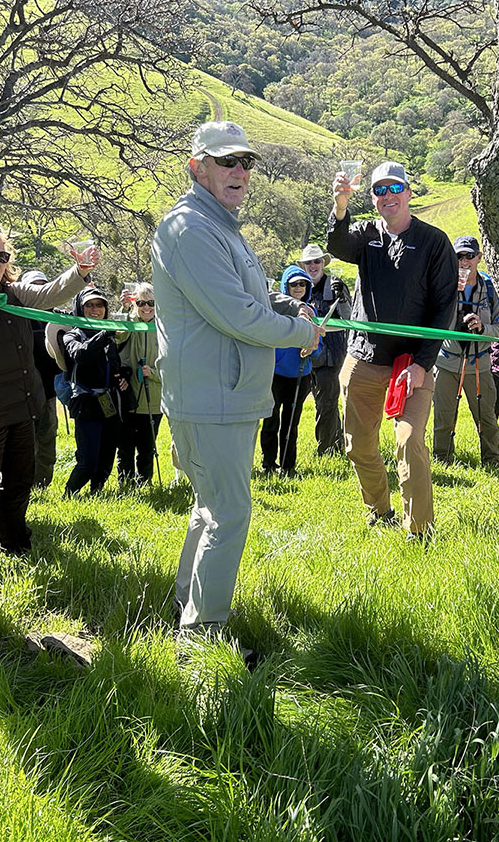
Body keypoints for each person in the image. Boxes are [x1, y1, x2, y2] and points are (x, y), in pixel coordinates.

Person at [152, 120, 321, 638]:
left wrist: (291, 309)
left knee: (212, 509)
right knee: (229, 514)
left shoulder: (220, 225)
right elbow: (237, 316)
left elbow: (249, 301)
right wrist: (299, 331)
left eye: (246, 162)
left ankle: (187, 603)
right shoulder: (190, 228)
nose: (239, 172)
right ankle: (203, 633)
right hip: (212, 398)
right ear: (196, 167)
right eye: (226, 162)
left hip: (229, 395)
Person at [328, 161, 457, 539]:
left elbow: (443, 307)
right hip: (363, 358)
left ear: (408, 193)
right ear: (373, 198)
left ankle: (419, 531)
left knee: (409, 440)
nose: (388, 196)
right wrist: (339, 206)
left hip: (411, 364)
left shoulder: (435, 242)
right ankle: (378, 509)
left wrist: (422, 363)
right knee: (358, 445)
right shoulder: (365, 234)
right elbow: (337, 245)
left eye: (394, 188)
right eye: (379, 191)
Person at [0, 226, 94, 553]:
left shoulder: (15, 292)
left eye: (2, 256)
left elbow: (51, 294)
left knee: (20, 480)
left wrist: (80, 271)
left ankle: (13, 542)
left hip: (25, 406)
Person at [432, 235, 499, 468]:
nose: (464, 261)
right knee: (443, 418)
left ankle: (493, 462)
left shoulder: (491, 289)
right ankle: (442, 461)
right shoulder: (442, 285)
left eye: (470, 256)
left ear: (479, 258)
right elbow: (430, 322)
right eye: (459, 256)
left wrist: (483, 328)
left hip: (479, 364)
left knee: (486, 418)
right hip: (446, 362)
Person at [261, 265, 324, 475]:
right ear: (285, 286)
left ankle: (288, 467)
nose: (299, 287)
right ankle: (268, 465)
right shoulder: (274, 309)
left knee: (291, 425)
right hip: (275, 375)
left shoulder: (311, 312)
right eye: (294, 284)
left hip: (300, 376)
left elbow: (318, 349)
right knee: (270, 422)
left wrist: (310, 350)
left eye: (303, 283)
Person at [63, 287, 122, 497]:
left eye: (100, 305)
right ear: (80, 308)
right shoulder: (72, 334)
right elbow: (80, 355)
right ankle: (69, 494)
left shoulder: (110, 337)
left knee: (107, 457)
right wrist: (104, 334)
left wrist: (122, 377)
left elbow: (113, 367)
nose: (95, 309)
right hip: (86, 403)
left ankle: (96, 495)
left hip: (109, 403)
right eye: (89, 305)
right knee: (88, 461)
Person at [297, 243, 352, 455]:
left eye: (317, 261)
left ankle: (326, 450)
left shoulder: (336, 285)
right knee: (322, 403)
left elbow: (349, 319)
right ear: (303, 265)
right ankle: (336, 444)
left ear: (323, 263)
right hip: (305, 356)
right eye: (309, 262)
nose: (313, 265)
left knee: (326, 404)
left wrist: (343, 297)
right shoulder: (298, 286)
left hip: (331, 356)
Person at [116, 283, 164, 486]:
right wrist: (124, 309)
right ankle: (125, 482)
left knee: (147, 446)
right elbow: (117, 335)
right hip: (129, 396)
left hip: (154, 399)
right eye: (141, 303)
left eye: (151, 303)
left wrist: (152, 374)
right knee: (125, 445)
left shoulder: (165, 327)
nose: (146, 307)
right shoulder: (129, 322)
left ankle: (145, 481)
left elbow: (174, 367)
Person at [20, 270, 62, 488]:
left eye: (42, 286)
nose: (39, 290)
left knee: (46, 440)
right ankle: (21, 484)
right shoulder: (17, 315)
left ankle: (41, 485)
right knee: (23, 442)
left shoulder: (57, 317)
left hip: (47, 392)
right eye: (34, 286)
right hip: (21, 394)